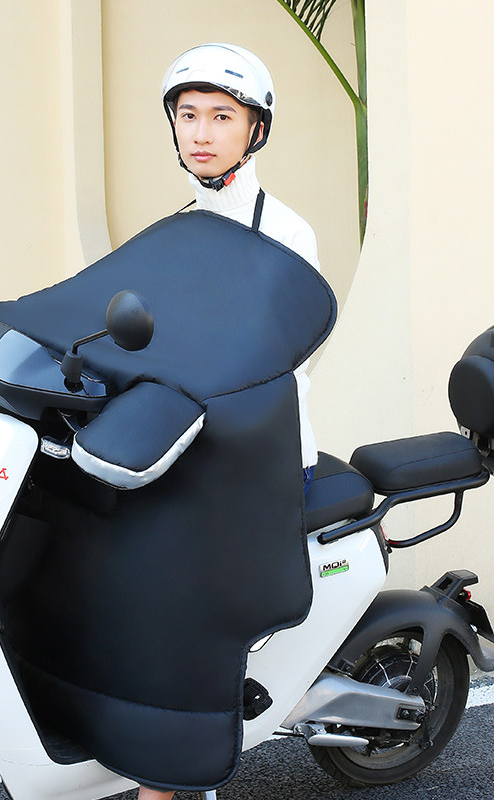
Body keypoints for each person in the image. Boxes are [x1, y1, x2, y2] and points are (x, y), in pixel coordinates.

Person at [136, 42, 323, 800]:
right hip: (189, 450)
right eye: (189, 115)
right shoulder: (176, 229)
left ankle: (182, 778)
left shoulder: (284, 234)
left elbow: (264, 358)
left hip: (262, 459)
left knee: (188, 605)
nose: (202, 132)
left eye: (222, 115)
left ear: (256, 129)